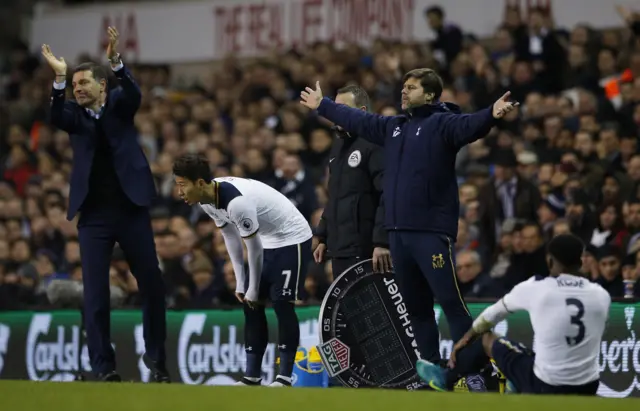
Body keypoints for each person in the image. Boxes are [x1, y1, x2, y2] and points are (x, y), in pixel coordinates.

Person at [300, 68, 519, 391]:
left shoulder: (442, 124)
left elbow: (471, 125)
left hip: (430, 233)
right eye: (403, 87)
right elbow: (359, 120)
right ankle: (432, 373)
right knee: (417, 309)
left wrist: (492, 114)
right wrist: (323, 106)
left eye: (412, 87)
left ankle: (480, 372)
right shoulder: (394, 127)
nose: (404, 92)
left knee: (451, 304)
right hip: (398, 235)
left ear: (430, 94)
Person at [42, 27, 168, 382]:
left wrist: (115, 60)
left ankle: (157, 363)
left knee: (152, 285)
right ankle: (103, 368)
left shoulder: (119, 105)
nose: (77, 89)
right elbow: (54, 116)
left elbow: (133, 92)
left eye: (83, 83)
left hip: (131, 210)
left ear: (102, 85)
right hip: (94, 217)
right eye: (74, 85)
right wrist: (59, 77)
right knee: (95, 294)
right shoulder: (72, 115)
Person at [172, 154, 313, 386]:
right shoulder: (207, 200)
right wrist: (241, 283)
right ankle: (252, 376)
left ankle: (285, 377)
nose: (179, 192)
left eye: (182, 185)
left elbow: (253, 247)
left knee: (281, 303)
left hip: (292, 236)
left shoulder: (236, 202)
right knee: (251, 305)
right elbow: (230, 237)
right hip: (267, 238)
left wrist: (253, 287)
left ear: (198, 183)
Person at [436, 233, 609, 395]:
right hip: (589, 387)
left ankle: (447, 378)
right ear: (580, 262)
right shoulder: (601, 295)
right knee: (537, 357)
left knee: (486, 338)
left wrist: (464, 340)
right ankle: (507, 380)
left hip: (545, 385)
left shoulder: (536, 287)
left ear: (549, 261)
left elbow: (490, 317)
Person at [313, 85, 392, 277]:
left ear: (361, 111)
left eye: (342, 109)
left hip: (369, 250)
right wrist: (323, 236)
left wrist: (382, 242)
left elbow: (388, 194)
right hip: (341, 250)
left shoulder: (375, 143)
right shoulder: (338, 145)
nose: (336, 114)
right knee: (348, 306)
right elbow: (336, 196)